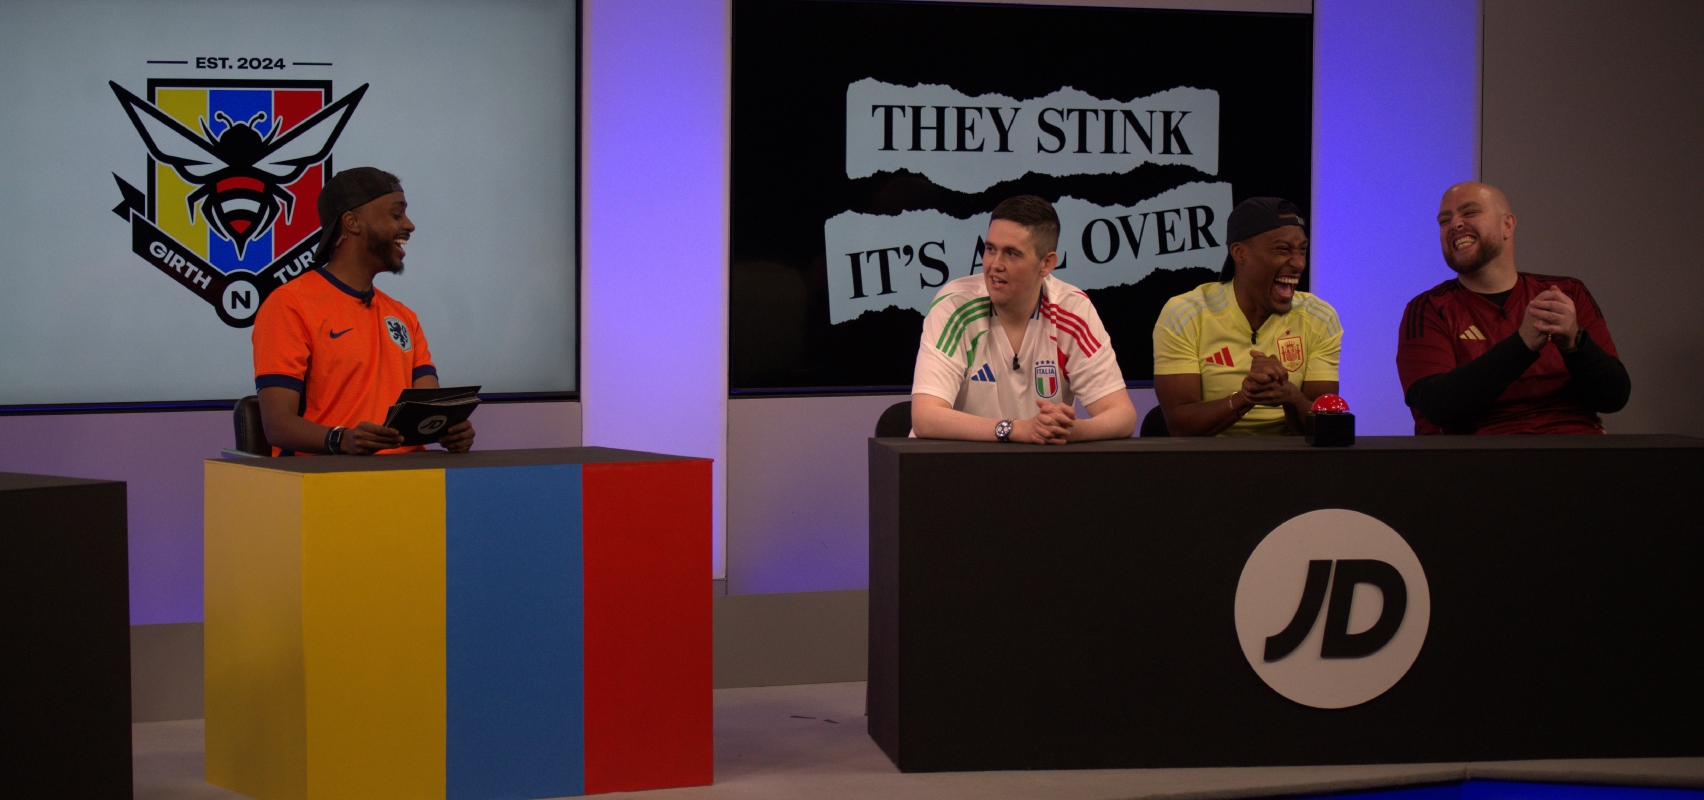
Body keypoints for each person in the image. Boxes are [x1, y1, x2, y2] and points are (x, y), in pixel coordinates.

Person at [251, 167, 475, 455]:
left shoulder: (404, 317)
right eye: (396, 214)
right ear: (352, 222)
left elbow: (430, 412)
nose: (409, 225)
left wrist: (450, 430)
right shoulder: (289, 304)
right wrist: (342, 439)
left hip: (411, 476)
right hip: (329, 477)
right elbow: (277, 426)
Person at [1396, 182, 1629, 434]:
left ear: (1507, 225)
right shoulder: (1429, 309)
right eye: (1444, 220)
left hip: (1573, 445)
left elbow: (1613, 398)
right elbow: (1436, 405)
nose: (1455, 224)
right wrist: (1523, 344)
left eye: (1469, 212)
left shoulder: (1568, 293)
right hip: (1482, 451)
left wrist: (1575, 343)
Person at [910, 195, 1136, 443]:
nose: (995, 265)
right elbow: (925, 417)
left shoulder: (1072, 310)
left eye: (1011, 254)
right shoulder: (955, 306)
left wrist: (1069, 431)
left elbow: (1123, 415)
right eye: (990, 249)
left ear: (1046, 264)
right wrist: (1014, 429)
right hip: (951, 463)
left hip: (1036, 464)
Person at [1152, 197, 1341, 436]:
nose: (1299, 263)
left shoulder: (1320, 317)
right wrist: (1245, 398)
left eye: (1302, 250)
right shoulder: (1186, 313)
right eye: (1283, 249)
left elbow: (1325, 429)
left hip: (1290, 456)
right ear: (1240, 253)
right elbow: (1180, 425)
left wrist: (1292, 397)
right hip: (1209, 456)